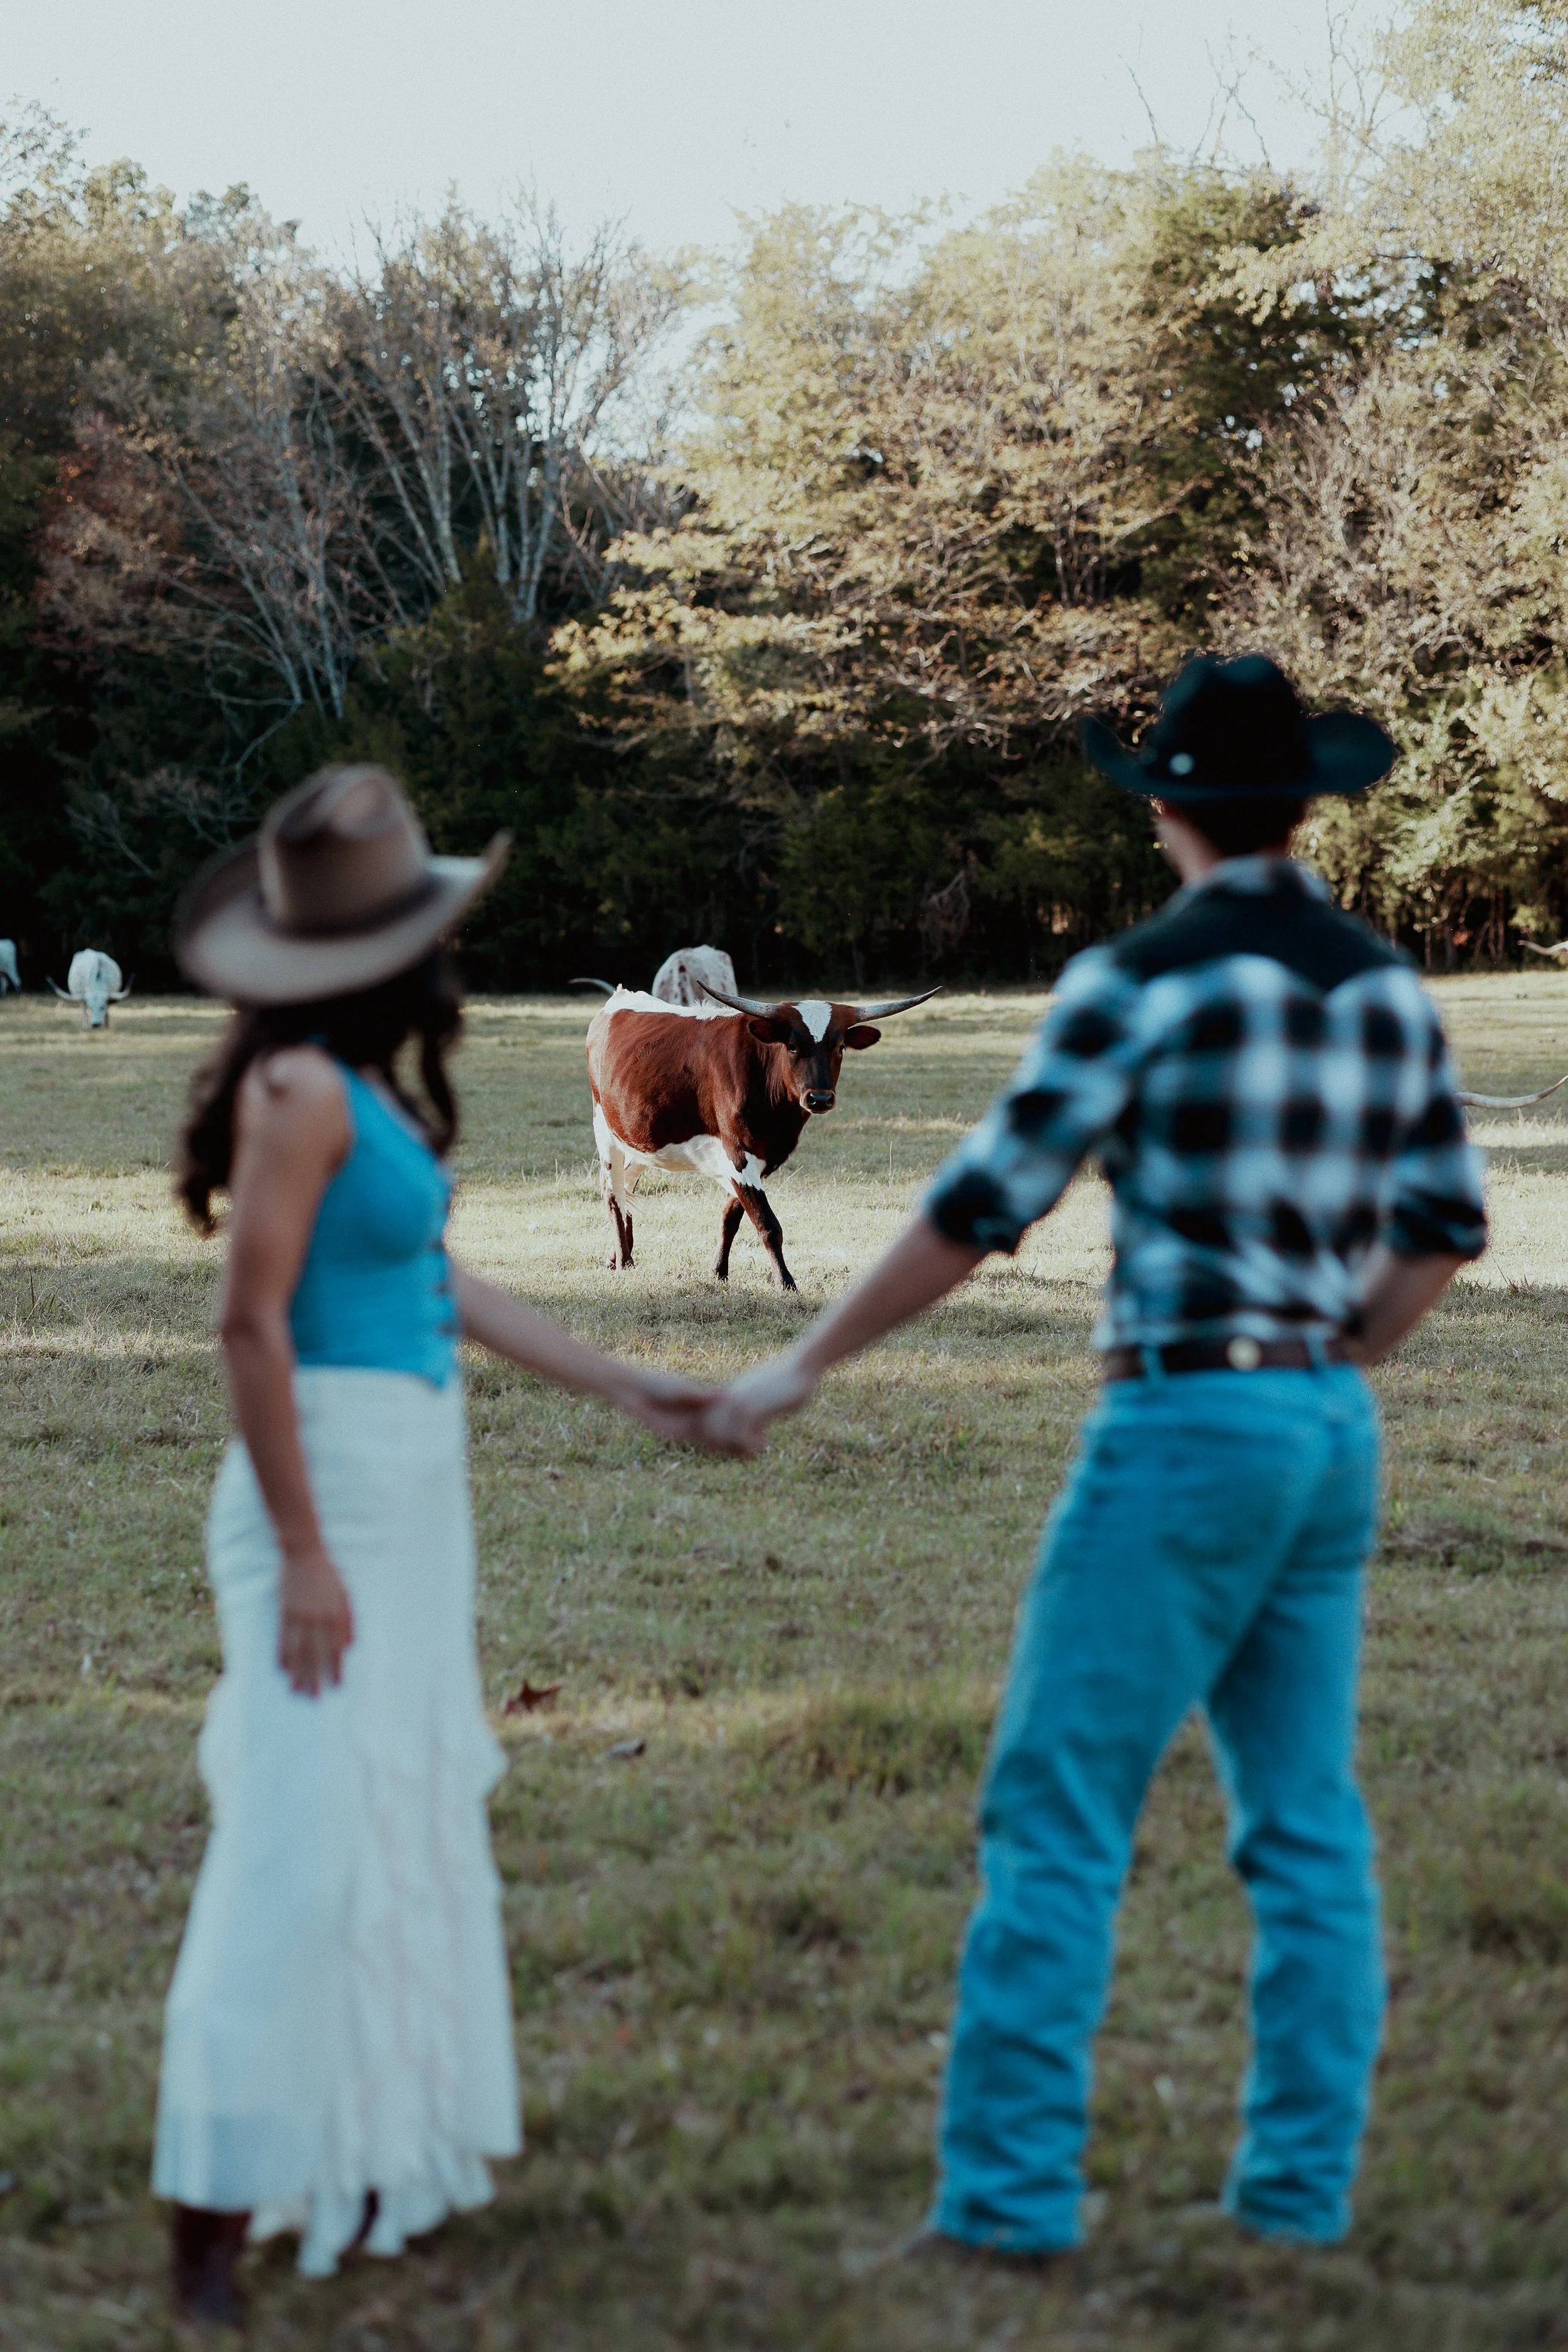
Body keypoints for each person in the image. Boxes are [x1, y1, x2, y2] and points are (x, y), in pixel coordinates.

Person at [702, 655, 1488, 2257]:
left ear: (1169, 817)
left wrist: (798, 1363)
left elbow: (977, 1211)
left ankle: (999, 2201)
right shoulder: (1385, 989)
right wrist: (1331, 1361)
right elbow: (1440, 1233)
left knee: (1057, 1800)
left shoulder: (1133, 988)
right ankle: (1291, 2194)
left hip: (1177, 1426)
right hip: (1325, 1436)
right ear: (1299, 806)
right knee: (1303, 1821)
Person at [157, 766, 722, 2323]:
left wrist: (630, 1386)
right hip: (321, 1492)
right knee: (297, 1824)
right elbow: (249, 1325)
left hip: (413, 1488)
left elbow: (441, 1288)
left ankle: (354, 2150)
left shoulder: (368, 1091)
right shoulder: (299, 1096)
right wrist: (307, 1549)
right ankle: (205, 2208)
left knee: (396, 1808)